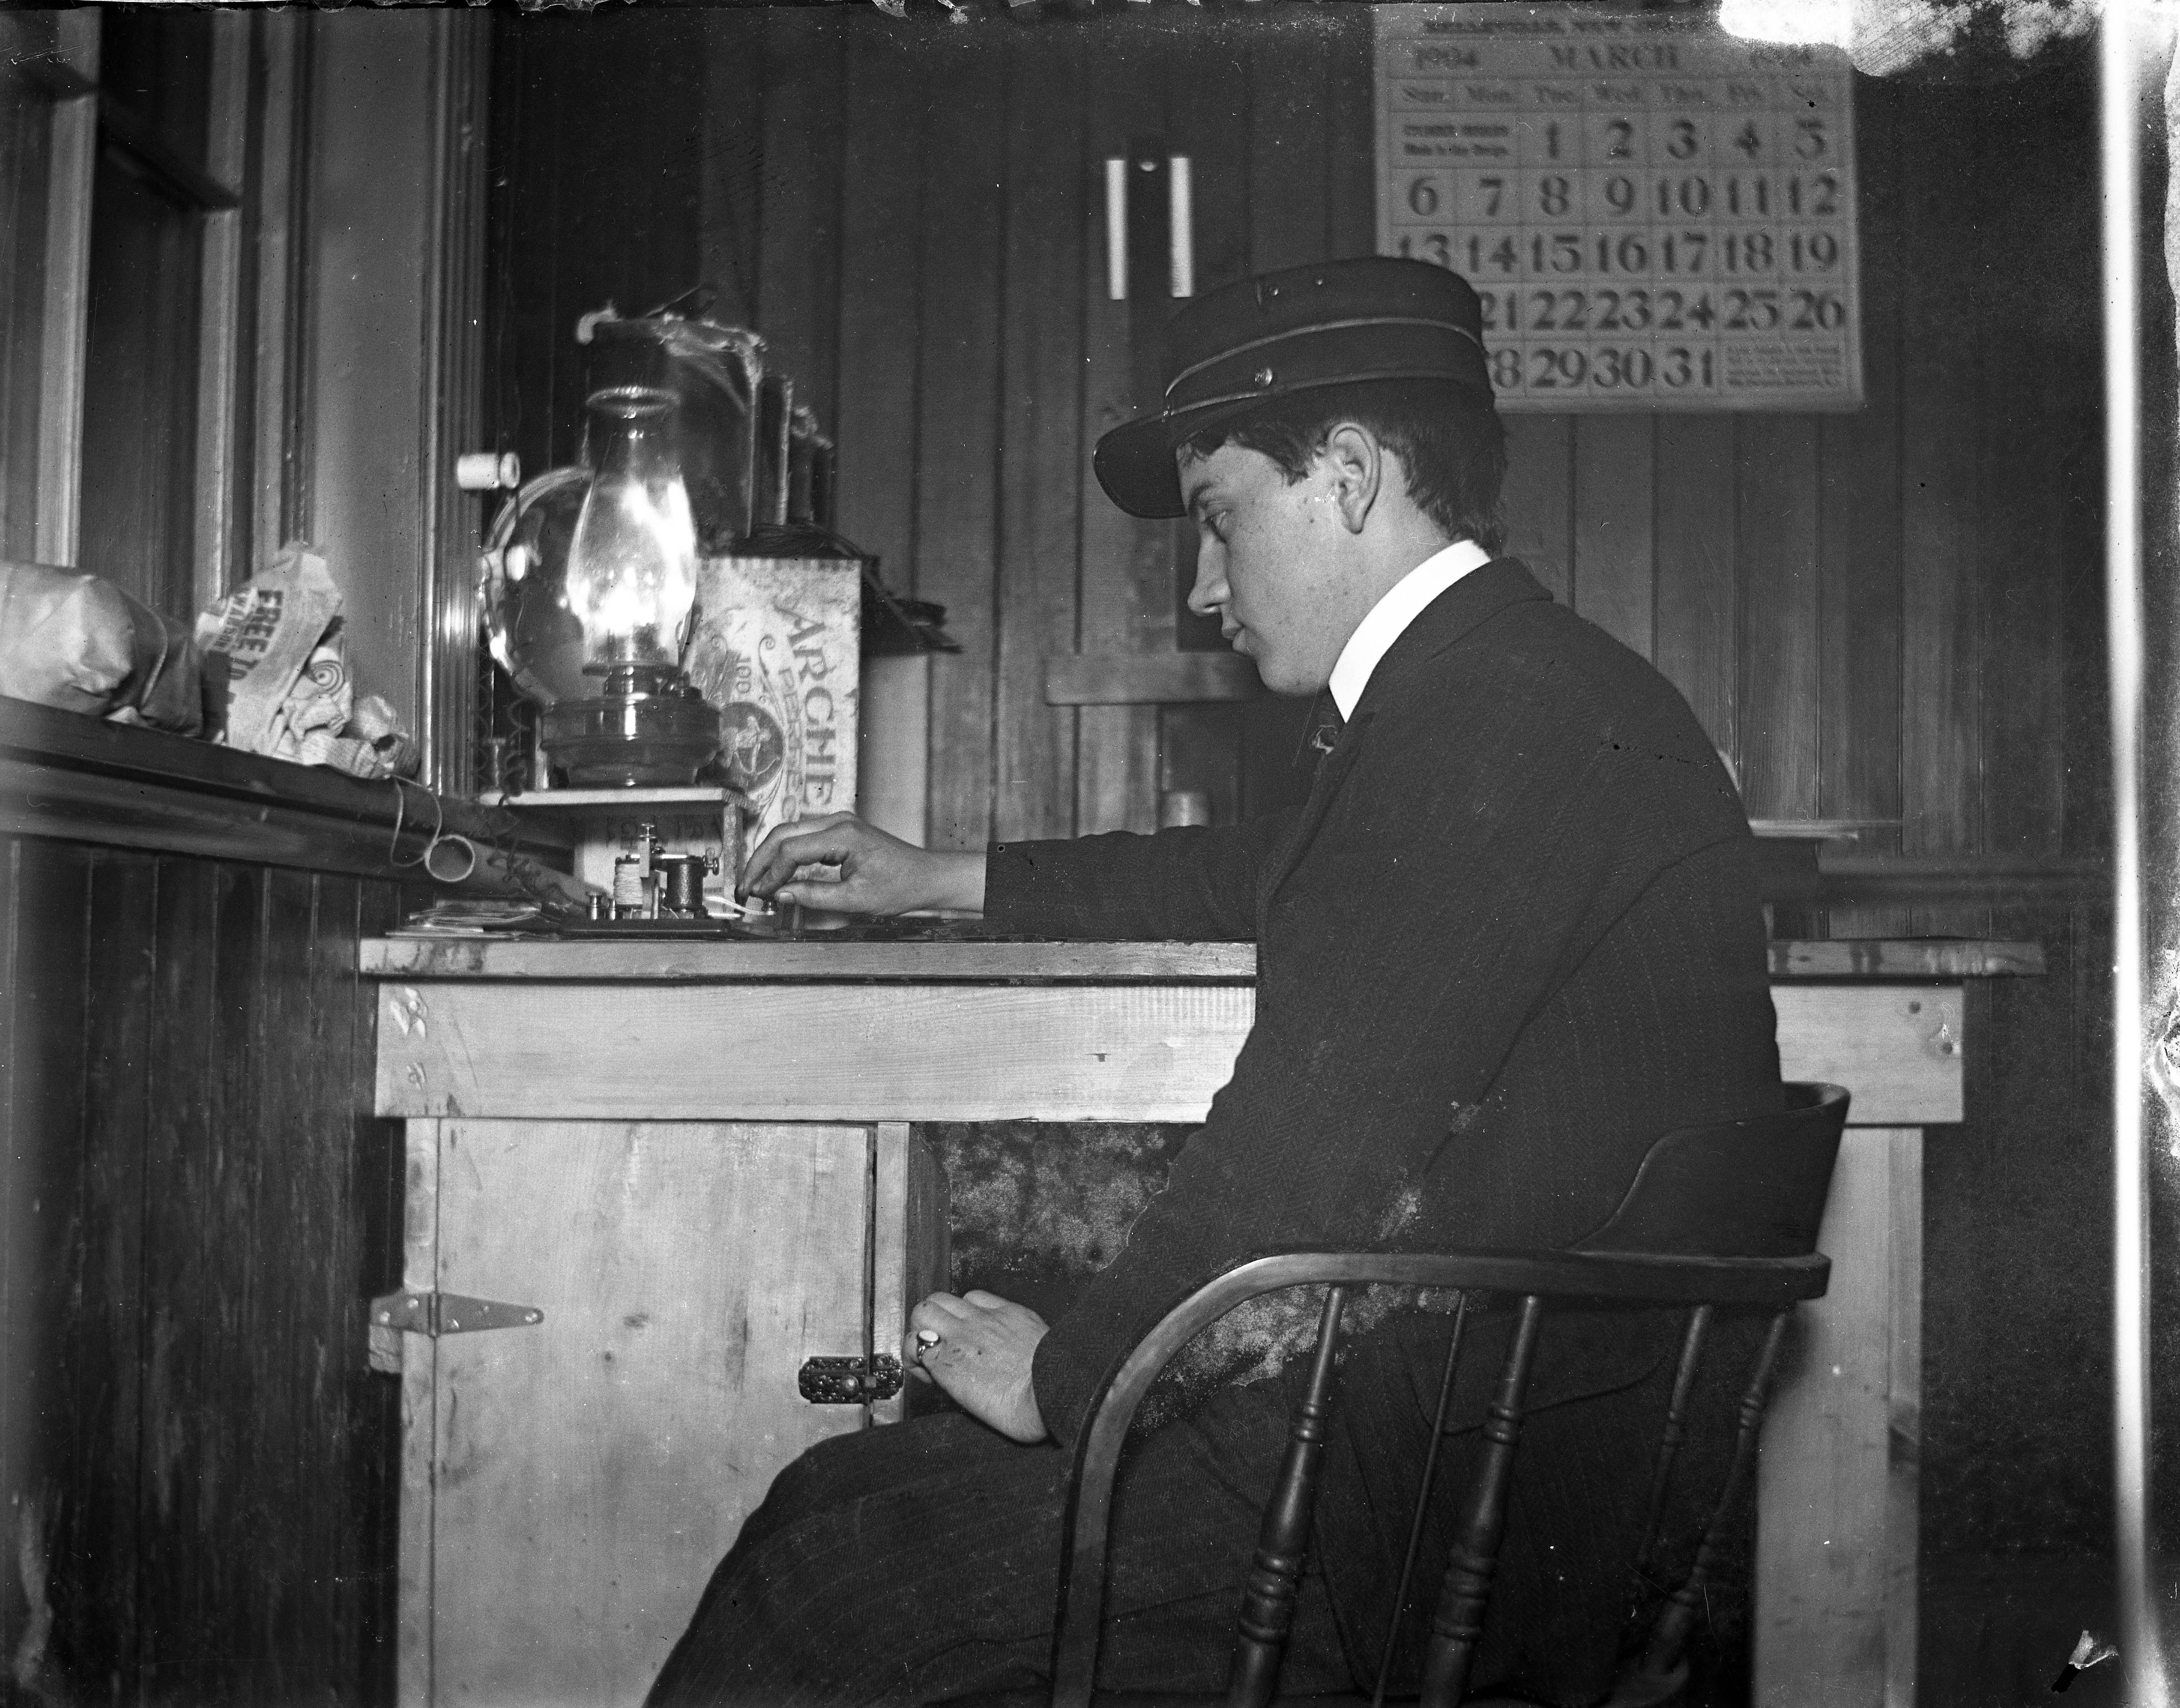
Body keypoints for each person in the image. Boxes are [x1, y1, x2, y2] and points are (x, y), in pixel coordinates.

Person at [647, 257, 1783, 1707]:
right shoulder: (1499, 689)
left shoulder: (1487, 718)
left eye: (1217, 515)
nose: (1201, 585)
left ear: (1353, 477)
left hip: (1431, 1509)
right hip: (1480, 1432)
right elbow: (1259, 872)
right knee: (838, 1511)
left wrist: (1073, 1382)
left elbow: (1308, 1145)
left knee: (828, 1565)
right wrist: (942, 877)